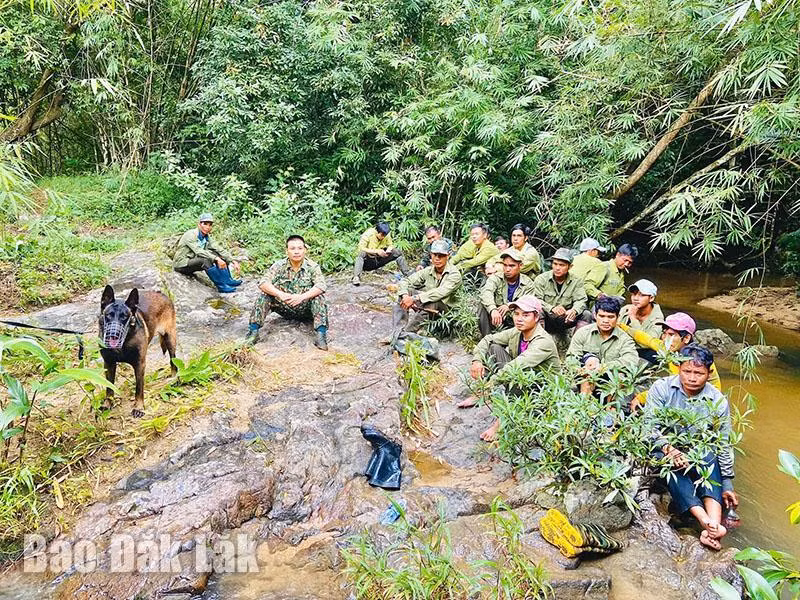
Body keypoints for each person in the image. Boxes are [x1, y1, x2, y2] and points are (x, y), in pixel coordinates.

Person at [644, 344, 738, 550]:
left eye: (699, 373)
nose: (692, 378)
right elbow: (649, 429)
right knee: (672, 466)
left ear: (709, 373)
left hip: (698, 450)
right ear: (678, 368)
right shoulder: (662, 388)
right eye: (687, 371)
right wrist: (670, 449)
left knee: (710, 455)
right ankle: (704, 521)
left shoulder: (717, 400)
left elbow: (722, 442)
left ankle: (714, 524)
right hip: (665, 448)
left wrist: (728, 482)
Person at [467, 295, 560, 441]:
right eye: (516, 314)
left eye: (525, 315)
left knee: (517, 373)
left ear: (536, 318)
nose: (519, 318)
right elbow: (488, 339)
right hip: (522, 377)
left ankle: (501, 422)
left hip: (542, 390)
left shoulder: (543, 341)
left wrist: (490, 383)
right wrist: (477, 360)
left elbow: (516, 367)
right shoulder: (517, 331)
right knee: (494, 348)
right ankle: (484, 394)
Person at [621, 312, 722, 409]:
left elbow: (716, 390)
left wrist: (642, 397)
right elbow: (645, 338)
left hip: (698, 403)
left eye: (671, 335)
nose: (665, 339)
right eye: (664, 334)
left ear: (686, 338)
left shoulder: (699, 360)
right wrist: (621, 326)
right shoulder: (668, 348)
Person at [245, 235, 329, 350]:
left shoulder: (312, 266)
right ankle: (253, 333)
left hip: (305, 309)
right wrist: (280, 294)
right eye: (292, 248)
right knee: (264, 295)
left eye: (300, 248)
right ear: (287, 251)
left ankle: (321, 336)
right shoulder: (279, 266)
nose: (296, 252)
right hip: (284, 306)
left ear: (305, 250)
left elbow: (321, 285)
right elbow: (263, 282)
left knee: (319, 297)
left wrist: (302, 297)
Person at [566, 296, 639, 395]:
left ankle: (611, 409)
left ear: (618, 317)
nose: (605, 321)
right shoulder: (583, 333)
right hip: (585, 377)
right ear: (595, 315)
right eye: (602, 316)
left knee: (619, 377)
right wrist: (580, 369)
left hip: (609, 378)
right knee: (587, 378)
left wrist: (603, 368)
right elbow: (571, 357)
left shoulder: (624, 339)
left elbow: (631, 360)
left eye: (610, 317)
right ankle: (584, 405)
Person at [393, 239, 462, 333]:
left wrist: (414, 298)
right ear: (431, 255)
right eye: (434, 255)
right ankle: (397, 331)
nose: (437, 258)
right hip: (429, 310)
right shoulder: (428, 270)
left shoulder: (454, 274)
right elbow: (406, 281)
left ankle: (406, 332)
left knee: (434, 301)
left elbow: (440, 292)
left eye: (441, 255)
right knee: (405, 292)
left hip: (446, 316)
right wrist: (405, 296)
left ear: (448, 256)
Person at [531, 248, 588, 348]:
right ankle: (539, 345)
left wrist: (574, 310)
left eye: (562, 265)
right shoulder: (542, 279)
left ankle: (576, 347)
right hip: (548, 318)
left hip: (566, 318)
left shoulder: (576, 281)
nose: (557, 268)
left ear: (570, 267)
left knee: (586, 314)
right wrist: (551, 308)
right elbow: (535, 299)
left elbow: (581, 300)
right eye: (555, 264)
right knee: (536, 311)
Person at [173, 213, 241, 293]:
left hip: (194, 261)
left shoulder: (206, 237)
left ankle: (228, 281)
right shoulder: (190, 235)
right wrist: (216, 259)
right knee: (206, 260)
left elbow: (218, 248)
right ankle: (221, 287)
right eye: (205, 224)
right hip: (182, 264)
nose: (207, 227)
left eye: (210, 225)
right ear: (199, 224)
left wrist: (233, 261)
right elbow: (198, 251)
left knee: (219, 255)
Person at [477, 248, 535, 336]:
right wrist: (493, 309)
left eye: (512, 266)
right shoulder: (496, 278)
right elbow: (486, 292)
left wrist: (510, 305)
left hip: (516, 319)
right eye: (505, 265)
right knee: (483, 306)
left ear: (520, 266)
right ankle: (487, 339)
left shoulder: (528, 283)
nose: (507, 269)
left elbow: (529, 303)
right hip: (497, 317)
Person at [619, 279, 664, 361]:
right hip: (623, 347)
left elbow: (647, 343)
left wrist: (633, 318)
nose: (636, 298)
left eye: (641, 295)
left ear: (651, 298)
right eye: (634, 294)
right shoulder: (625, 309)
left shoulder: (657, 318)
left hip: (642, 352)